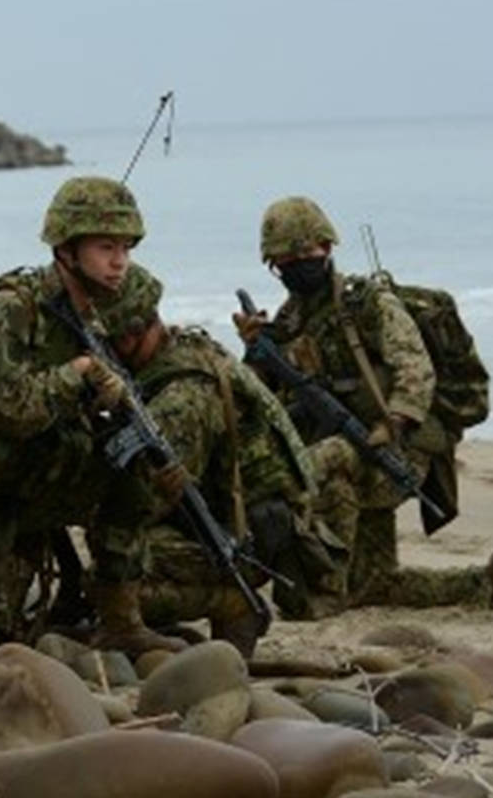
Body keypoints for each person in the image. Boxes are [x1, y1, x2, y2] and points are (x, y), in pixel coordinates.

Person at [239, 197, 493, 609]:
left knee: (314, 462)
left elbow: (415, 368)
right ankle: (487, 583)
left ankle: (323, 588)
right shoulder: (289, 321)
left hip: (397, 451)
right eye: (287, 257)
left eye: (307, 252)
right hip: (356, 453)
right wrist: (256, 352)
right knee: (377, 584)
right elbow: (261, 401)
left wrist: (394, 421)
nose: (298, 262)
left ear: (327, 248)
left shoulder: (368, 304)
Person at [0, 177, 182, 655]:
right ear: (67, 249)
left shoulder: (88, 319)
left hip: (31, 469)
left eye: (125, 248)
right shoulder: (10, 309)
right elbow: (1, 408)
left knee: (130, 466)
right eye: (105, 247)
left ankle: (119, 617)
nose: (119, 262)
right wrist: (76, 375)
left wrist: (104, 402)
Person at [98, 264, 341, 657]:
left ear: (135, 332)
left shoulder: (184, 395)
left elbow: (147, 499)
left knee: (113, 569)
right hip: (250, 520)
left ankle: (234, 603)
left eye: (115, 342)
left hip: (245, 540)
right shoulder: (188, 350)